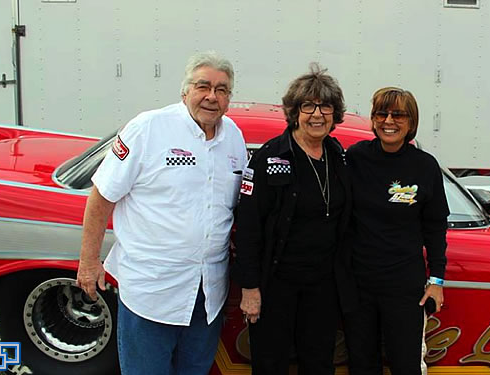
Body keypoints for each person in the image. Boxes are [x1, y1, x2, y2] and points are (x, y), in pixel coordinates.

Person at [76, 51, 247, 375]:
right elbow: (102, 197)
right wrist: (88, 262)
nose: (212, 96)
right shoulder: (149, 128)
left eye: (222, 90)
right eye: (203, 86)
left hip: (207, 296)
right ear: (185, 92)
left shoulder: (234, 139)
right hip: (151, 294)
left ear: (228, 99)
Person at [232, 64, 355, 375]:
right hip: (275, 285)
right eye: (308, 106)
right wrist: (249, 288)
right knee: (270, 364)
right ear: (294, 112)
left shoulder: (339, 157)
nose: (317, 114)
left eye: (325, 106)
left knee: (319, 364)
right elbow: (247, 227)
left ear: (335, 113)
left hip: (324, 287)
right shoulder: (270, 158)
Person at [343, 87, 449, 375]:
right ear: (374, 119)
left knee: (406, 365)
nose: (388, 120)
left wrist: (437, 280)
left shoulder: (425, 166)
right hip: (359, 285)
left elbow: (436, 226)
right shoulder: (354, 158)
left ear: (411, 121)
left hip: (405, 288)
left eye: (398, 114)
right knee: (362, 365)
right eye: (381, 113)